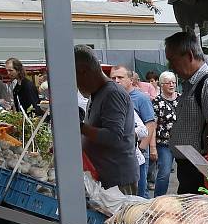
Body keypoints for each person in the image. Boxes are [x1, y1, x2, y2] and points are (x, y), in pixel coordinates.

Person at [164, 31, 208, 194]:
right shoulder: (192, 84)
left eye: (172, 60)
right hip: (192, 168)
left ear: (189, 55)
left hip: (202, 171)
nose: (171, 67)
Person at [74, 45, 139, 194]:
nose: (76, 85)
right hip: (105, 178)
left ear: (83, 71)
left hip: (117, 181)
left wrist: (79, 126)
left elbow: (113, 136)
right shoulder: (97, 93)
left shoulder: (112, 94)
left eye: (75, 78)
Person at [110, 65, 157, 198]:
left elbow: (150, 124)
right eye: (113, 78)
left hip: (138, 153)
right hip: (120, 156)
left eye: (120, 77)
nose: (116, 81)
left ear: (131, 80)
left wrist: (142, 148)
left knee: (140, 195)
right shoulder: (113, 97)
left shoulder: (141, 98)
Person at [152, 71, 179, 197]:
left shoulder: (181, 98)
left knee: (186, 173)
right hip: (164, 143)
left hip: (181, 142)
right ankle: (158, 199)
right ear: (161, 85)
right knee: (165, 173)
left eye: (174, 82)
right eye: (168, 83)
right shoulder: (157, 101)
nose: (172, 85)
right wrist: (153, 148)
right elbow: (153, 124)